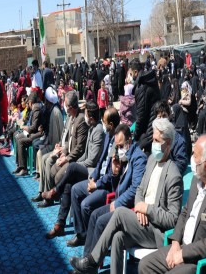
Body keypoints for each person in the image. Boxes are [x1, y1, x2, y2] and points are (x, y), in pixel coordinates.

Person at [69, 118, 183, 274]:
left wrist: (146, 209)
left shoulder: (173, 175)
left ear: (168, 143)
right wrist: (139, 207)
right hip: (140, 220)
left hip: (155, 231)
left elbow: (172, 219)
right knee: (118, 237)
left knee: (120, 212)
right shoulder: (151, 160)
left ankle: (92, 261)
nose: (153, 144)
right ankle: (94, 264)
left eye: (157, 140)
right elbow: (140, 190)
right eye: (153, 139)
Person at [139, 134, 206, 274]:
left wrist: (183, 254)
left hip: (202, 262)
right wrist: (176, 242)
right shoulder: (196, 181)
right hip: (183, 248)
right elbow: (185, 213)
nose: (192, 159)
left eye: (195, 156)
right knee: (145, 265)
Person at [82, 124, 147, 257]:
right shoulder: (123, 157)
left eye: (121, 145)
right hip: (118, 201)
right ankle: (87, 259)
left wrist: (117, 203)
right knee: (94, 215)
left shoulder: (138, 158)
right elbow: (116, 187)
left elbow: (135, 189)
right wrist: (115, 173)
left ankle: (92, 262)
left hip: (128, 207)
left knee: (100, 221)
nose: (118, 149)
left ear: (129, 141)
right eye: (117, 146)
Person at [43, 101, 105, 238]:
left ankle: (54, 191)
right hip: (86, 167)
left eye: (86, 114)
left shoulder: (98, 131)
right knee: (69, 186)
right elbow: (85, 155)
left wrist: (75, 165)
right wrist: (76, 164)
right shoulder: (92, 128)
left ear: (91, 117)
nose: (84, 116)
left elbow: (92, 160)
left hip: (92, 171)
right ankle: (60, 225)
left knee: (71, 168)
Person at [67, 107, 120, 247]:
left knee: (85, 205)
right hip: (98, 180)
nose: (102, 124)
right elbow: (100, 162)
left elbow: (112, 174)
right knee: (75, 190)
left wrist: (97, 185)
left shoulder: (118, 142)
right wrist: (93, 178)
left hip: (107, 187)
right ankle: (81, 234)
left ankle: (93, 240)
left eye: (104, 122)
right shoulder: (108, 136)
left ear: (111, 125)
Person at [37, 90, 88, 208]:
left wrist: (66, 158)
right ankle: (48, 194)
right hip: (66, 152)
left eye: (65, 104)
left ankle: (53, 195)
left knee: (54, 171)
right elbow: (67, 139)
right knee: (49, 165)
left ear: (70, 107)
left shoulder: (80, 120)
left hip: (75, 159)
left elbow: (79, 148)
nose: (63, 106)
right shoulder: (71, 117)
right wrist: (60, 148)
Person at [32, 86, 63, 177]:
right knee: (39, 152)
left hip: (55, 144)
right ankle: (40, 174)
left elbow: (58, 133)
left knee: (40, 153)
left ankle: (43, 176)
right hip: (50, 140)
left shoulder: (55, 112)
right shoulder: (51, 110)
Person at [12, 91, 43, 176]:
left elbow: (33, 127)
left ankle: (24, 168)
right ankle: (20, 165)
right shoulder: (35, 108)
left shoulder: (36, 109)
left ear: (30, 102)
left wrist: (24, 127)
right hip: (33, 132)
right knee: (17, 137)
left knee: (21, 141)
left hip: (37, 134)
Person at [133, 62, 161, 151]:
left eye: (130, 73)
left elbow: (141, 115)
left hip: (148, 133)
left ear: (135, 72)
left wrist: (136, 136)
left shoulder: (142, 86)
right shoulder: (151, 81)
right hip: (155, 128)